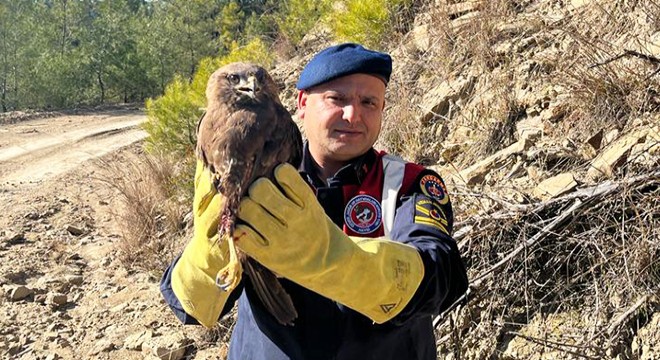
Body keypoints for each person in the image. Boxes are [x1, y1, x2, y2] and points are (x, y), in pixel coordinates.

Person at [160, 43, 468, 360]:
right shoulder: (259, 165)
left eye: (369, 102)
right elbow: (188, 309)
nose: (353, 114)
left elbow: (440, 278)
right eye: (338, 99)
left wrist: (335, 259)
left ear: (382, 111)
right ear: (303, 103)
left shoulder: (406, 183)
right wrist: (215, 251)